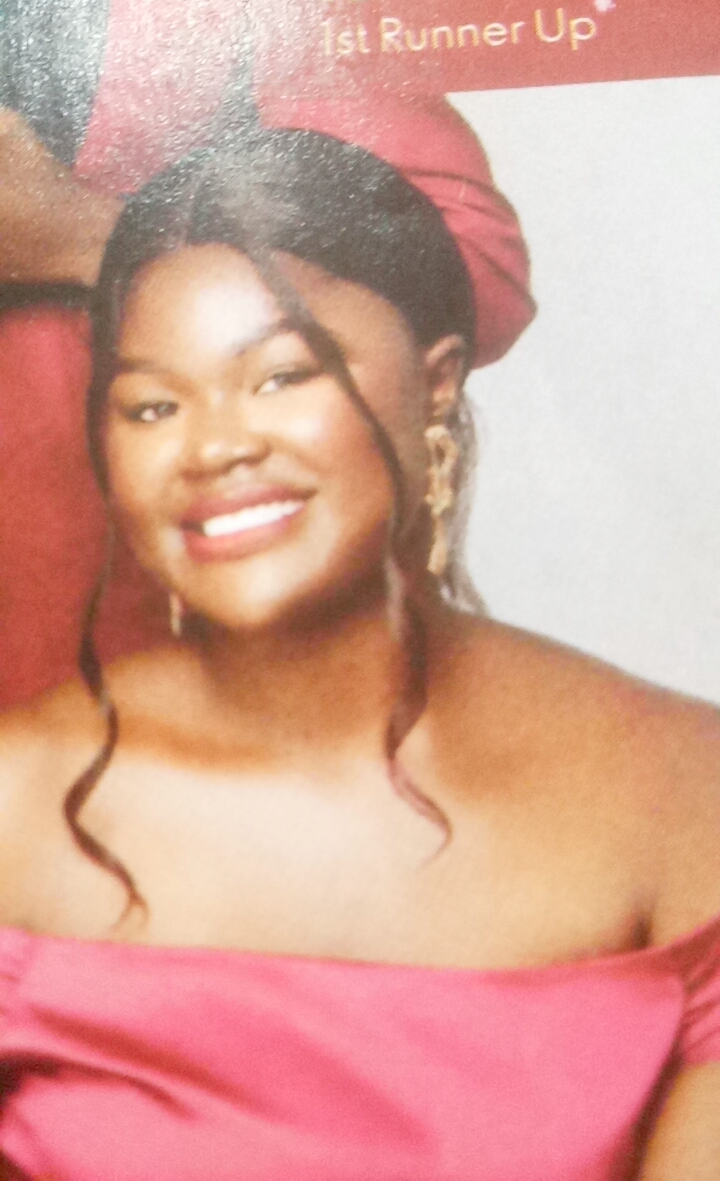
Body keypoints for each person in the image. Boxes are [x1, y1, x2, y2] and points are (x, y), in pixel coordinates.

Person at [0, 120, 718, 1181]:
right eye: (151, 404)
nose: (215, 445)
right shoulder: (15, 800)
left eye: (284, 375)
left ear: (439, 382)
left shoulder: (682, 786)